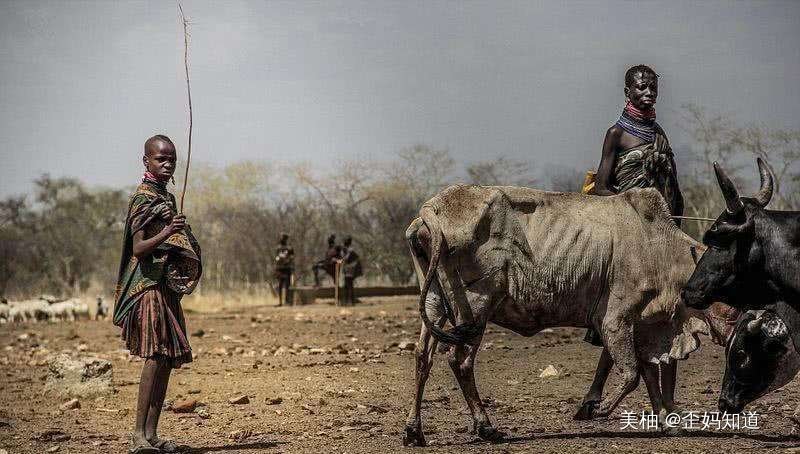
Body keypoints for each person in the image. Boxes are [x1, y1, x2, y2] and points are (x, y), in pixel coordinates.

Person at [112, 135, 202, 454]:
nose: (167, 165)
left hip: (165, 286)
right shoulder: (142, 197)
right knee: (154, 355)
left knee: (165, 358)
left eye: (172, 160)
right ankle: (137, 436)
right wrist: (168, 231)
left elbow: (171, 243)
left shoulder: (167, 197)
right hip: (147, 286)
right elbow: (138, 248)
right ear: (146, 160)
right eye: (161, 159)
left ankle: (152, 436)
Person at [585, 65, 685, 347]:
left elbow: (675, 190)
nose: (649, 92)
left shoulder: (659, 135)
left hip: (658, 229)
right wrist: (634, 206)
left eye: (653, 87)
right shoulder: (616, 134)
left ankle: (597, 388)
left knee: (646, 312)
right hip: (627, 229)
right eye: (642, 87)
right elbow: (601, 188)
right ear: (627, 92)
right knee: (625, 308)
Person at [338, 236, 363, 306]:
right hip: (348, 270)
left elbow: (346, 259)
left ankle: (348, 302)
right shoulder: (346, 250)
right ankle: (349, 302)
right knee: (348, 286)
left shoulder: (350, 251)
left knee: (348, 286)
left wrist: (346, 258)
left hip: (349, 270)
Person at [273, 233, 294, 306]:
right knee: (280, 285)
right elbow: (276, 258)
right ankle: (280, 302)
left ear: (285, 239)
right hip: (280, 268)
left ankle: (287, 301)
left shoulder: (289, 248)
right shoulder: (278, 248)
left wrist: (287, 262)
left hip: (286, 268)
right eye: (281, 238)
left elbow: (291, 258)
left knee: (287, 286)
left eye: (283, 238)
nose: (281, 239)